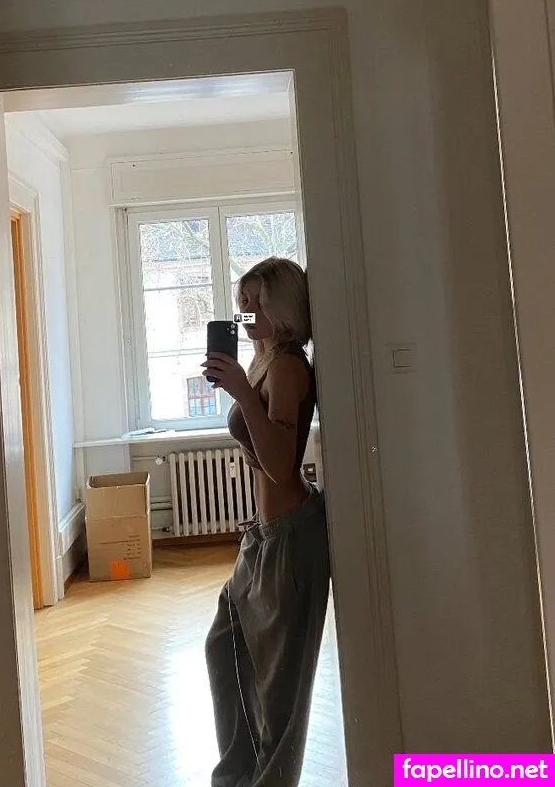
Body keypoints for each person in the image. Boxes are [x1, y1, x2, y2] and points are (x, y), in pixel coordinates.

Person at [202, 256, 331, 787]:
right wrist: (241, 385)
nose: (247, 313)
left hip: (291, 535)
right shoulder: (263, 362)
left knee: (280, 692)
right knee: (225, 648)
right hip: (263, 536)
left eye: (257, 303)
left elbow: (281, 466)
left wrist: (240, 393)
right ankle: (238, 776)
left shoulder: (288, 366)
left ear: (283, 309)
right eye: (243, 303)